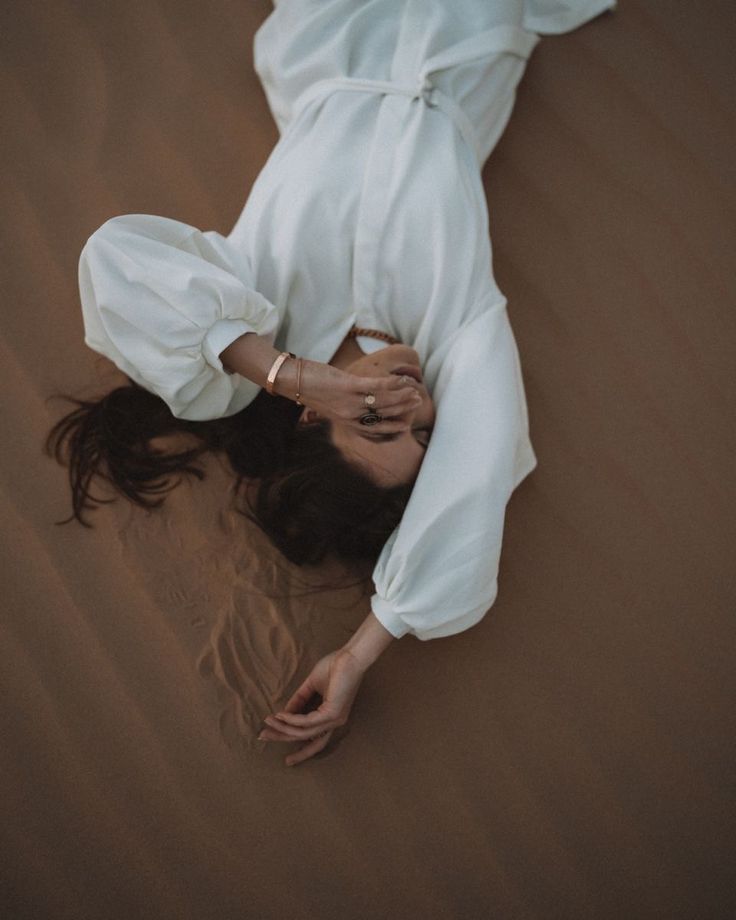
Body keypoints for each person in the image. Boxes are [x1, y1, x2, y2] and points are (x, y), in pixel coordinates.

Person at [48, 0, 616, 766]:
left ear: (314, 420)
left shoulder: (256, 306)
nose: (415, 406)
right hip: (465, 44)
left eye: (377, 422)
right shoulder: (460, 327)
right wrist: (356, 656)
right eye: (423, 433)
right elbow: (473, 482)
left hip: (336, 32)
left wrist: (293, 375)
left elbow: (116, 258)